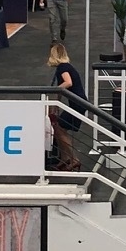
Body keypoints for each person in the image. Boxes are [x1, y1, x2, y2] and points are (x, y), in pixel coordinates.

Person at [48, 41, 84, 170]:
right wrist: (55, 104)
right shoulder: (66, 66)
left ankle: (73, 158)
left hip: (77, 103)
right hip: (77, 103)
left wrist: (55, 90)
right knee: (57, 128)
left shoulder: (63, 67)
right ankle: (65, 158)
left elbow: (67, 83)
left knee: (60, 129)